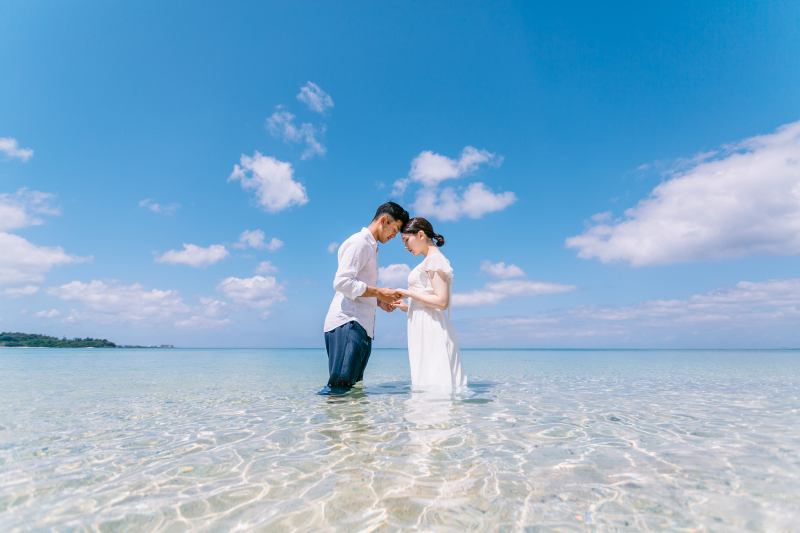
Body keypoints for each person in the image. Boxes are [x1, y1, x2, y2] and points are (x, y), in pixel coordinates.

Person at [323, 202, 410, 389]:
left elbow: (356, 285)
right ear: (384, 220)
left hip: (361, 326)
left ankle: (345, 419)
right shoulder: (359, 242)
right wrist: (379, 292)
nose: (394, 236)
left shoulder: (371, 247)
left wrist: (379, 301)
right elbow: (342, 282)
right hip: (349, 322)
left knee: (353, 389)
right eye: (394, 229)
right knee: (341, 388)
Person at [392, 217, 467, 391]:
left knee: (433, 382)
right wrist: (407, 306)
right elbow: (429, 299)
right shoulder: (429, 260)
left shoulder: (434, 260)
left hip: (431, 328)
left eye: (406, 240)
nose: (405, 247)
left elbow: (442, 302)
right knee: (428, 380)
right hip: (424, 325)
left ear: (420, 234)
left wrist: (408, 292)